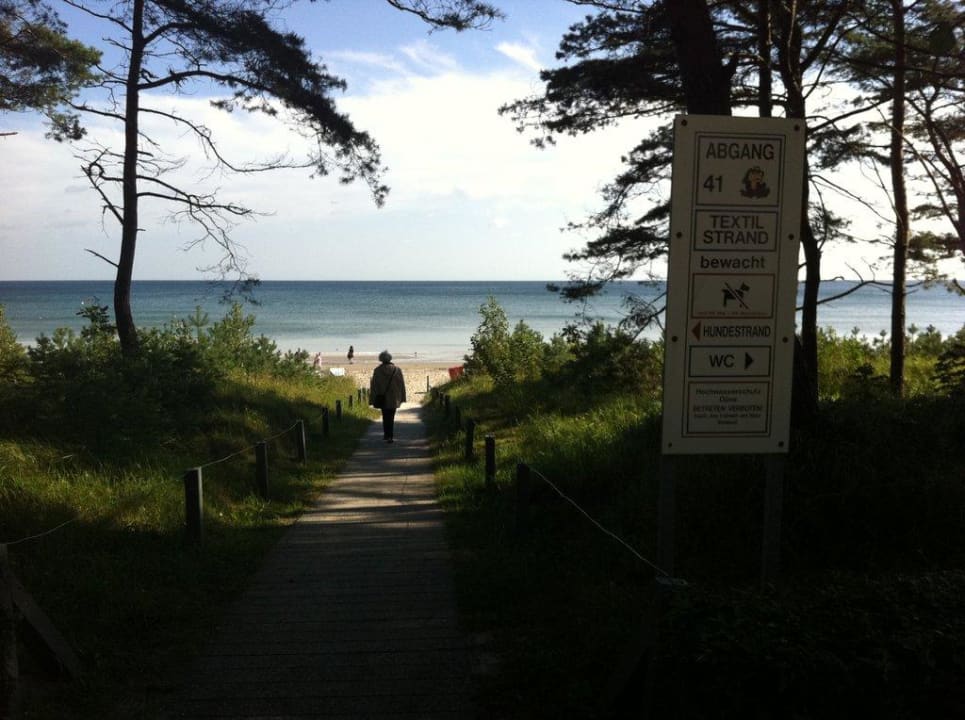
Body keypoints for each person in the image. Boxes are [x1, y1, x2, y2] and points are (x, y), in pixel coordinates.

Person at [370, 350, 406, 443]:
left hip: (382, 397)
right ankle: (390, 436)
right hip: (394, 398)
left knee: (385, 417)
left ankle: (387, 435)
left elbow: (374, 385)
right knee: (391, 417)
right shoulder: (397, 370)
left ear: (380, 359)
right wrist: (402, 397)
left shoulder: (377, 370)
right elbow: (401, 384)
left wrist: (372, 399)